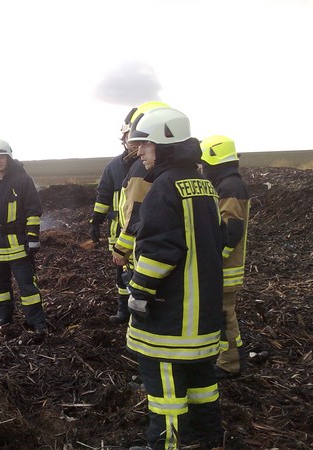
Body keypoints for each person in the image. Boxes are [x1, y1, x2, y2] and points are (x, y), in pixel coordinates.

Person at [125, 108, 225, 450]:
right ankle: (208, 437)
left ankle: (166, 444)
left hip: (171, 318)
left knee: (165, 388)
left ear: (164, 146)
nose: (140, 151)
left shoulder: (164, 187)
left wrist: (138, 291)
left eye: (146, 145)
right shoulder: (203, 184)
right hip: (202, 314)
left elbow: (159, 251)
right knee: (201, 381)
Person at [90, 101, 167, 325]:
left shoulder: (145, 169)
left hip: (135, 233)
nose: (134, 145)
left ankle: (137, 313)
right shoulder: (115, 166)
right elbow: (103, 196)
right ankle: (124, 310)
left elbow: (138, 210)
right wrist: (96, 221)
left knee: (138, 272)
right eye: (129, 139)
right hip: (120, 229)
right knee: (122, 272)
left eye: (138, 140)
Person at [0, 138, 46, 332]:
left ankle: (36, 321)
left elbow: (33, 211)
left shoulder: (23, 180)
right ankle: (4, 318)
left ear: (8, 158)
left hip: (18, 244)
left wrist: (32, 237)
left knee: (27, 286)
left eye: (1, 157)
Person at [200, 135, 250, 379]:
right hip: (226, 266)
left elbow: (231, 231)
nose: (202, 168)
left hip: (224, 268)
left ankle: (230, 364)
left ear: (214, 160)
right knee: (225, 315)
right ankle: (233, 357)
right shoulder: (230, 183)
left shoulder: (229, 187)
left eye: (204, 163)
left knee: (224, 317)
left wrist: (215, 260)